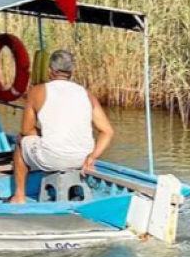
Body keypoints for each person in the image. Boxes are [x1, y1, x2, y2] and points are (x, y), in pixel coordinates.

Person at [9, 49, 113, 205]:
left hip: (53, 158)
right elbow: (107, 131)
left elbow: (26, 130)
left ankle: (19, 196)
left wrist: (41, 133)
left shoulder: (37, 91)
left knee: (20, 140)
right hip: (82, 159)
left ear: (50, 71)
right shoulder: (86, 93)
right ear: (71, 72)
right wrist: (92, 157)